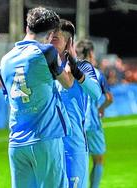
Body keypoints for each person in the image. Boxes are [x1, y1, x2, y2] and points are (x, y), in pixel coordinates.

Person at [0, 7, 77, 188]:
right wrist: (70, 57)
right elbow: (68, 83)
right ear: (50, 34)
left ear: (27, 27)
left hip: (17, 142)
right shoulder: (46, 52)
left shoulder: (5, 60)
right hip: (45, 138)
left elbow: (7, 98)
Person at [51, 19, 101, 188]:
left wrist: (76, 72)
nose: (49, 41)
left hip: (73, 147)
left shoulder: (82, 66)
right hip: (49, 145)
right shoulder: (44, 67)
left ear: (68, 43)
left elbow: (96, 93)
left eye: (55, 38)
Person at [76, 39, 113, 188]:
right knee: (98, 160)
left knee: (78, 161)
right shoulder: (96, 73)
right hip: (92, 123)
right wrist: (101, 108)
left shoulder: (71, 71)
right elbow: (109, 98)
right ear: (91, 53)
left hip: (76, 124)